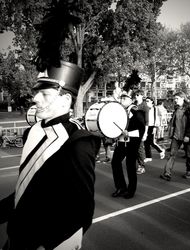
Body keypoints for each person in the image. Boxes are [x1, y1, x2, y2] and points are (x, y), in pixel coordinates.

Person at [0, 61, 101, 250]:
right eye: (37, 92)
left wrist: (52, 244)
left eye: (45, 94)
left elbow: (82, 210)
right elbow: (26, 189)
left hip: (45, 243)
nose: (36, 98)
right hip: (15, 236)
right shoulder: (32, 132)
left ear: (65, 101)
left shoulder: (78, 142)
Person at [111, 91, 145, 199]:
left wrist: (128, 133)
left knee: (130, 166)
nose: (122, 100)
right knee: (115, 162)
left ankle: (131, 190)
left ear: (131, 99)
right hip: (121, 141)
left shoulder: (137, 111)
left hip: (132, 143)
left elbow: (141, 130)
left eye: (125, 98)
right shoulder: (121, 111)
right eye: (121, 98)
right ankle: (121, 187)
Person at [160, 91, 190, 181]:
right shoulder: (177, 109)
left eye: (177, 99)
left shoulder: (189, 109)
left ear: (182, 98)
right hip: (176, 136)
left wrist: (188, 135)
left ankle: (189, 170)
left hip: (186, 137)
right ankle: (167, 173)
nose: (175, 100)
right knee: (172, 155)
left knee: (189, 154)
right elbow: (174, 123)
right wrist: (171, 133)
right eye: (174, 99)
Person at [144, 97, 165, 162]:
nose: (146, 102)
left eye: (148, 101)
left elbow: (157, 118)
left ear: (152, 102)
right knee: (146, 143)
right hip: (146, 126)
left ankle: (161, 151)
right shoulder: (145, 108)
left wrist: (155, 127)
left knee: (152, 142)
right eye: (145, 101)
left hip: (152, 126)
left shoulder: (155, 108)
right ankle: (148, 157)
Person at [133, 89, 149, 174]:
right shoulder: (134, 105)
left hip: (141, 129)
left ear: (142, 96)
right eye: (135, 95)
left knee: (140, 148)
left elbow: (147, 121)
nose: (136, 96)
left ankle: (141, 166)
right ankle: (138, 163)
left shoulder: (145, 106)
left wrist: (145, 133)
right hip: (133, 129)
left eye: (138, 95)